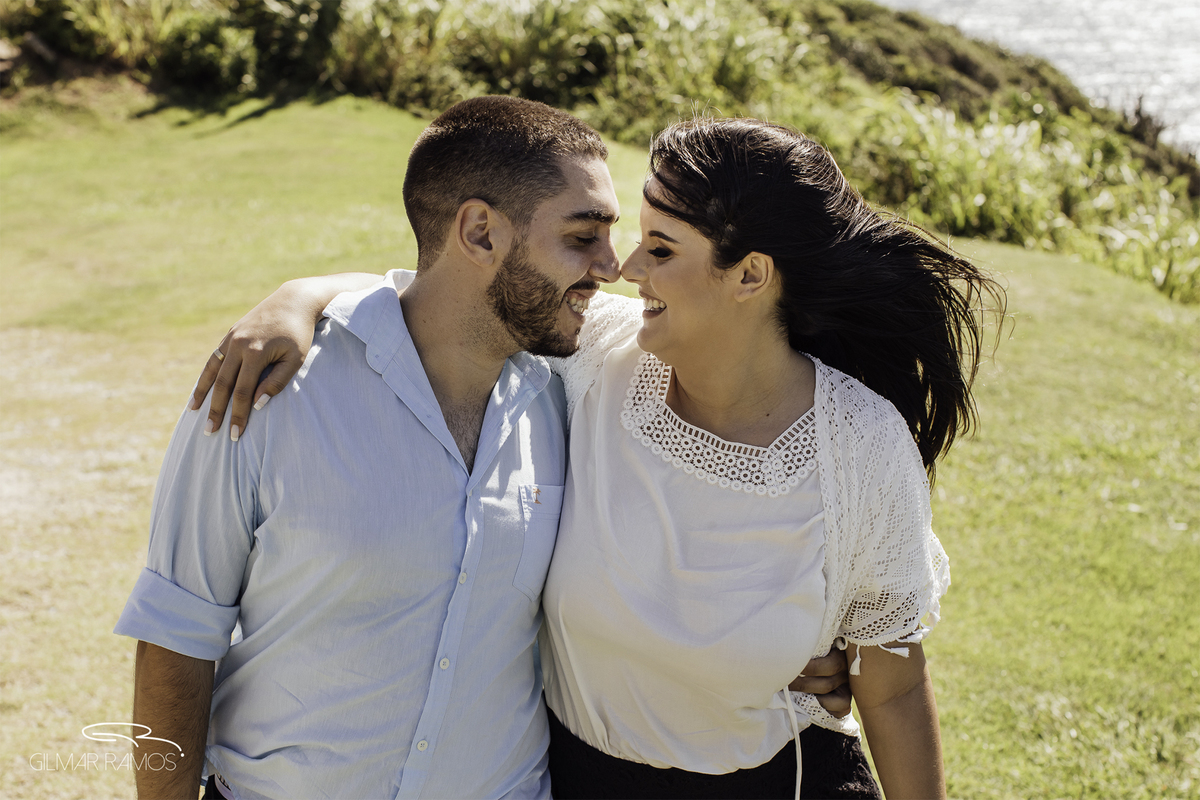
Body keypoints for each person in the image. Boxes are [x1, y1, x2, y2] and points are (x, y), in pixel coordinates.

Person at [196, 118, 1002, 798]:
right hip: (578, 780)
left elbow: (891, 689)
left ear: (750, 276)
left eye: (660, 248)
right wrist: (298, 295)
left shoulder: (860, 447)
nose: (622, 268)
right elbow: (455, 291)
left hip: (780, 780)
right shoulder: (594, 357)